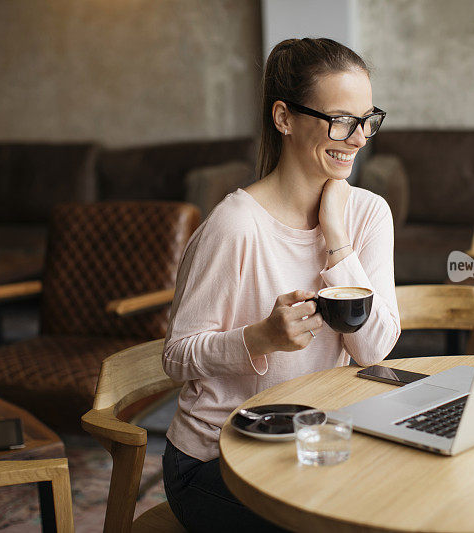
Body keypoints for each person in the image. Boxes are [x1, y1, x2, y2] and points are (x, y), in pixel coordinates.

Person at [161, 37, 401, 531]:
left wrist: (335, 236)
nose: (357, 138)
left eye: (367, 121)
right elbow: (176, 357)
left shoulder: (368, 214)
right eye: (341, 120)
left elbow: (373, 349)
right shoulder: (235, 225)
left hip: (313, 445)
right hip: (215, 458)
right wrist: (259, 339)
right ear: (285, 118)